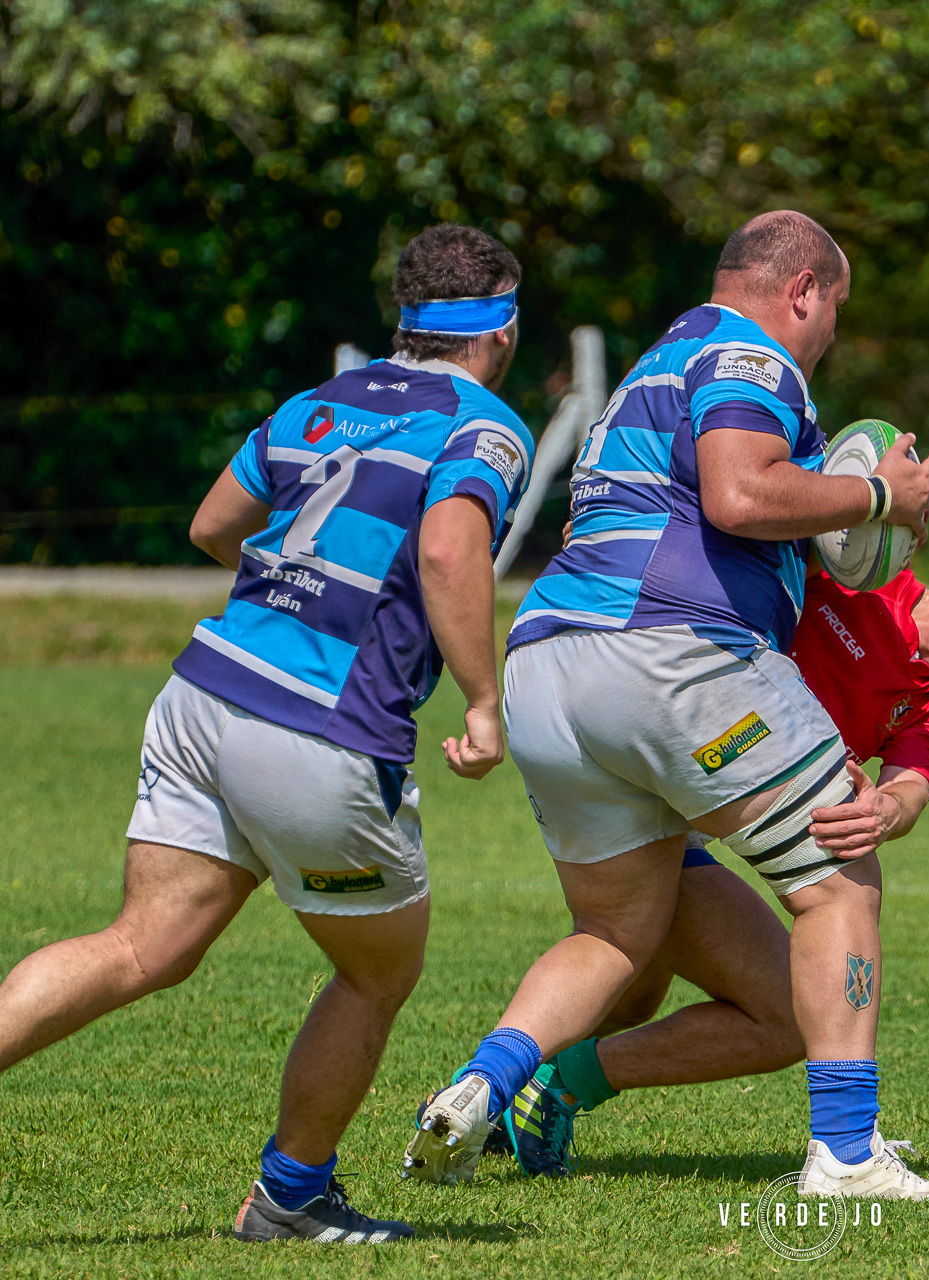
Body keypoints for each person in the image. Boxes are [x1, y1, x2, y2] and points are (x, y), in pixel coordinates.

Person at [0, 223, 534, 1243]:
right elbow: (451, 550)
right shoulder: (484, 427)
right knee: (378, 969)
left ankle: (292, 1195)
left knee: (138, 943)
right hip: (318, 730)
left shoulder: (313, 404)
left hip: (203, 694)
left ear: (403, 315)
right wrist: (478, 699)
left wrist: (292, 586)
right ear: (501, 328)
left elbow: (211, 525)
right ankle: (290, 1196)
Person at [404, 210, 929, 1200]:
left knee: (618, 936)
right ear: (801, 292)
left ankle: (480, 1083)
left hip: (549, 668)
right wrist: (879, 499)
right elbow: (740, 495)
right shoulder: (751, 356)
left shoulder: (666, 354)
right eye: (833, 308)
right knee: (839, 863)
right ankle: (846, 1152)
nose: (828, 333)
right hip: (668, 650)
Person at [489, 556, 929, 1189]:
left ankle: (502, 1093)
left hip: (683, 820)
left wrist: (885, 809)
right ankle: (525, 1092)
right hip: (646, 762)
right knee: (743, 981)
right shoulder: (861, 576)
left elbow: (912, 785)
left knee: (655, 994)